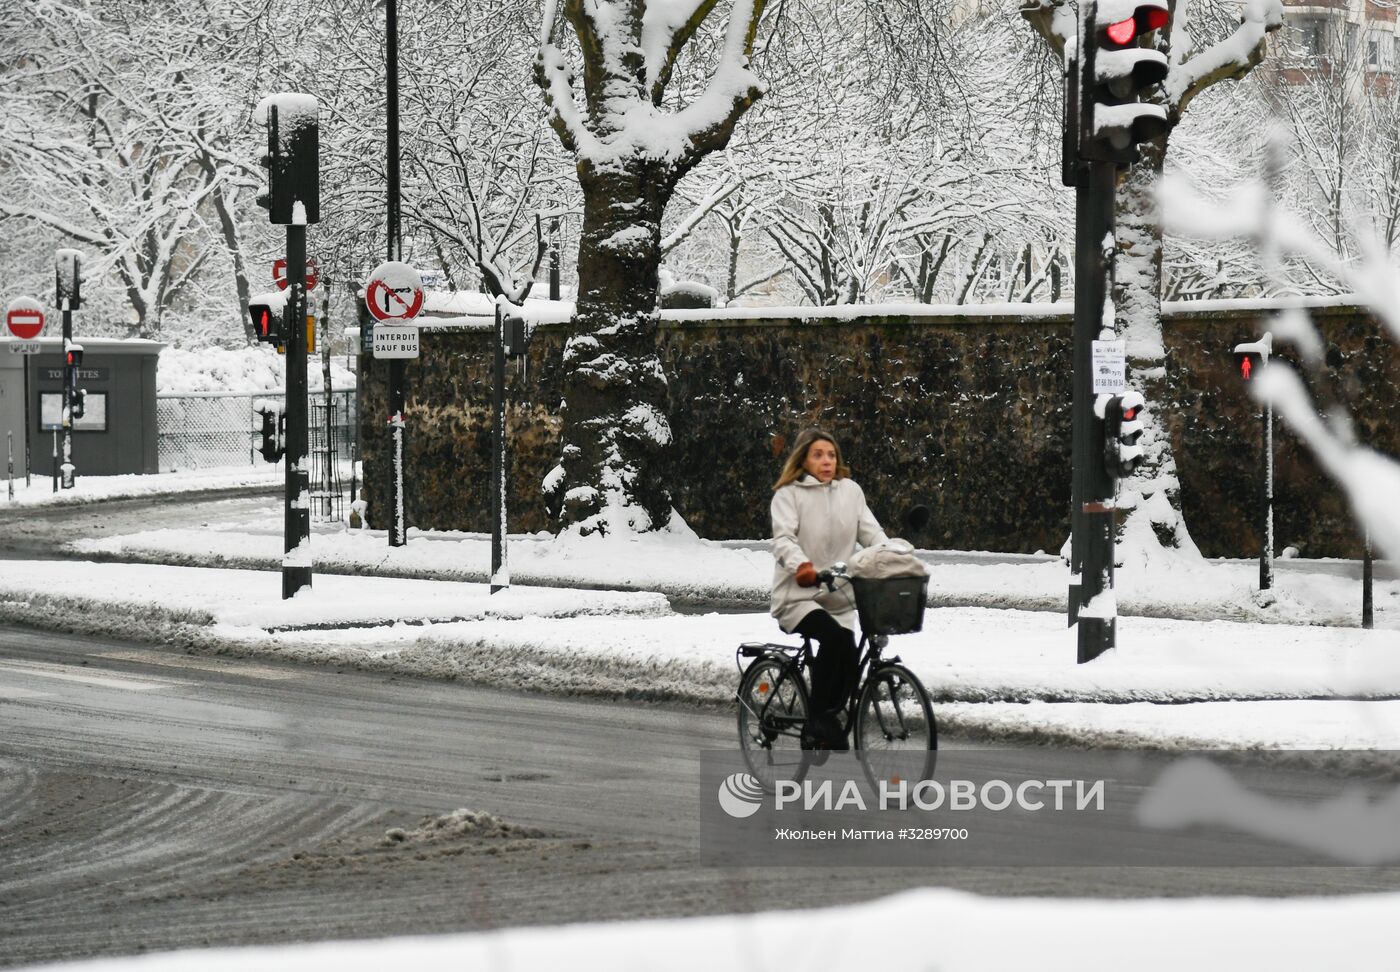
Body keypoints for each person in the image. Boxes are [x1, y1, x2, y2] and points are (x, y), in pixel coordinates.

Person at [770, 427, 888, 750]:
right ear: (803, 460)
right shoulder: (788, 495)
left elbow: (872, 533)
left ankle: (828, 718)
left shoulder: (851, 492)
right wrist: (803, 568)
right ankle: (817, 720)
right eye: (818, 455)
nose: (826, 461)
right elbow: (783, 540)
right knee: (834, 638)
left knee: (850, 658)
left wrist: (891, 556)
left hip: (837, 593)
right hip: (798, 595)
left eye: (831, 455)